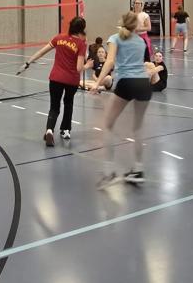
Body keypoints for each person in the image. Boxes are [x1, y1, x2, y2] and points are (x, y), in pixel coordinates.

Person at [91, 11, 153, 187]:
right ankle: (138, 170)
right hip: (144, 83)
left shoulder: (115, 38)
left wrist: (97, 83)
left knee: (108, 125)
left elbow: (110, 62)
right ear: (136, 25)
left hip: (127, 82)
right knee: (138, 128)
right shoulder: (140, 41)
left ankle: (109, 172)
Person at [23, 16, 92, 147]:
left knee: (54, 107)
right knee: (68, 103)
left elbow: (41, 52)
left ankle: (49, 130)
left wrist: (28, 62)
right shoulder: (81, 44)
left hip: (56, 78)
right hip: (71, 80)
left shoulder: (59, 38)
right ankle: (65, 130)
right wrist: (87, 66)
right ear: (81, 30)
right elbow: (79, 68)